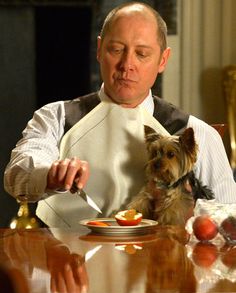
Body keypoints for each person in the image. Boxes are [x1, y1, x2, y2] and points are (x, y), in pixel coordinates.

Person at [4, 2, 236, 228]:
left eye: (142, 54)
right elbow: (16, 176)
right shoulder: (56, 117)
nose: (127, 64)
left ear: (162, 60)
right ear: (99, 50)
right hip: (69, 259)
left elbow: (230, 220)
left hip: (164, 264)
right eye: (116, 50)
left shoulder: (199, 133)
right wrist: (50, 175)